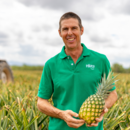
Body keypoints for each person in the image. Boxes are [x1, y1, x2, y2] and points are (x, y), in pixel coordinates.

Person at [37, 12, 118, 130]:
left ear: (82, 30)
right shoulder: (51, 64)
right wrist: (62, 114)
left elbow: (112, 94)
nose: (70, 33)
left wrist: (101, 109)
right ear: (60, 33)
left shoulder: (101, 60)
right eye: (65, 29)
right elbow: (41, 102)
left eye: (74, 28)